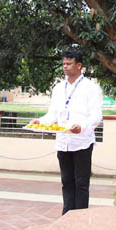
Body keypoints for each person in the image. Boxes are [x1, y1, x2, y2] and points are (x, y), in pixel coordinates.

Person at [31, 48, 103, 215]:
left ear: (79, 65)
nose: (65, 67)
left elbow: (96, 115)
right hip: (63, 142)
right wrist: (39, 121)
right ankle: (67, 216)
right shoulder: (58, 88)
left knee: (81, 183)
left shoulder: (90, 88)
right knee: (66, 181)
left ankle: (80, 218)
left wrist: (82, 126)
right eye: (63, 63)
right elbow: (53, 114)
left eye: (69, 64)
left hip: (82, 142)